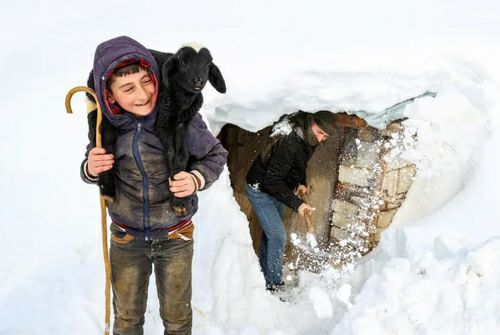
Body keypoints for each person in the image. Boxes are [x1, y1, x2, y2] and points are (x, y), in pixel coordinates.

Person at [80, 36, 227, 335]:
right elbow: (92, 165)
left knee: (176, 319)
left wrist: (196, 178)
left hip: (175, 236)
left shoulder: (178, 120)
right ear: (109, 95)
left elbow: (216, 155)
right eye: (127, 88)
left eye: (147, 81)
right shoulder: (105, 128)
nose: (143, 93)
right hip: (126, 239)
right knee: (128, 318)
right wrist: (90, 168)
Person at [245, 110, 336, 291]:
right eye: (320, 133)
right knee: (278, 236)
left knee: (271, 235)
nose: (321, 139)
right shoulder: (289, 141)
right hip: (261, 188)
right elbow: (271, 181)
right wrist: (297, 204)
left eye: (324, 137)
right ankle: (274, 285)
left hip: (279, 189)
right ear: (312, 123)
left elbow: (299, 163)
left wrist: (301, 182)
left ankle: (264, 274)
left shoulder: (308, 138)